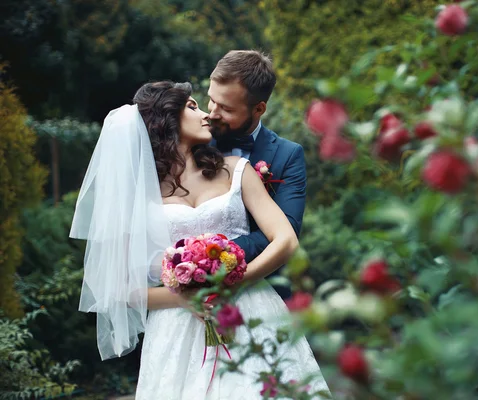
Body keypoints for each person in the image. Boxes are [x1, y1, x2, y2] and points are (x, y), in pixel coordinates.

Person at [69, 81, 330, 399]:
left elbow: (286, 240)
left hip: (251, 308)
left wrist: (234, 281)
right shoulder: (137, 198)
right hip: (176, 328)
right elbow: (120, 288)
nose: (207, 114)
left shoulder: (235, 170)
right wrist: (185, 298)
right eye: (192, 106)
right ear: (165, 120)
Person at [207, 50, 306, 300]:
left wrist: (210, 255)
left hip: (262, 292)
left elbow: (287, 231)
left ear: (259, 108)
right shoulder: (192, 142)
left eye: (226, 108)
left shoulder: (287, 155)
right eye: (211, 100)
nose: (213, 114)